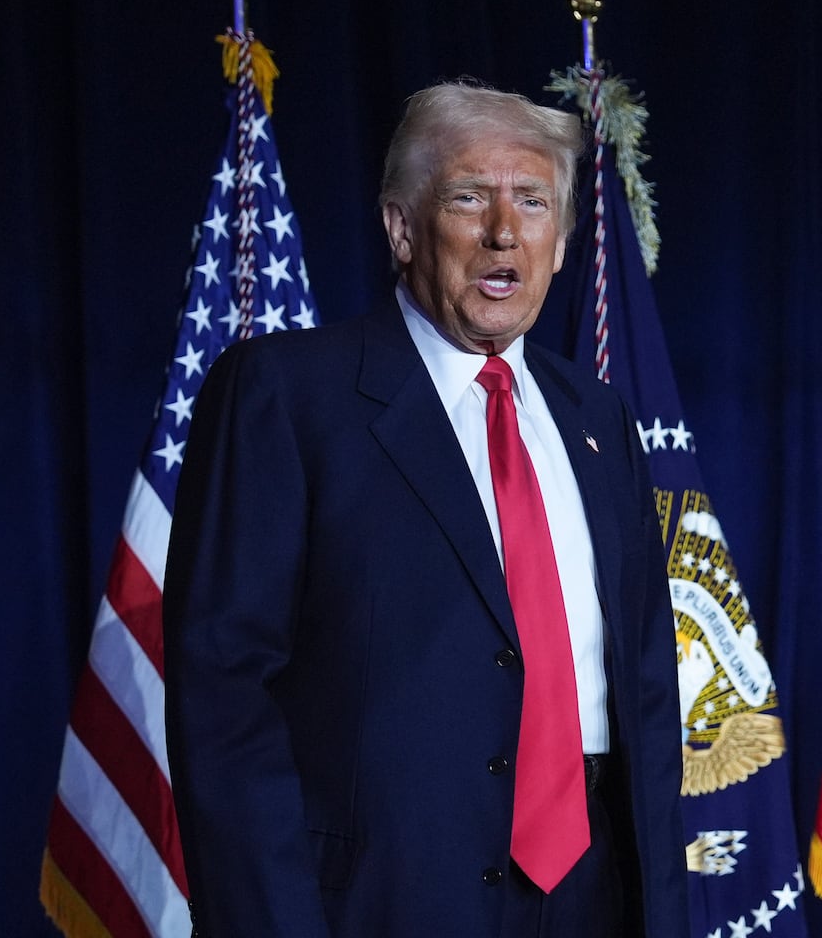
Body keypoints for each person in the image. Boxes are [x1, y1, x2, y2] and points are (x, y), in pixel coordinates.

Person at [164, 81, 688, 937]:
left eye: (532, 202)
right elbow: (224, 697)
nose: (503, 232)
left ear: (559, 245)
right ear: (402, 228)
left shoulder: (599, 421)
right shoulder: (287, 398)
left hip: (593, 902)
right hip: (381, 902)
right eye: (468, 197)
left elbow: (646, 693)